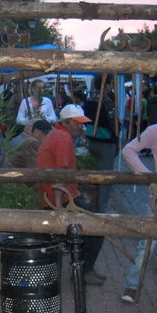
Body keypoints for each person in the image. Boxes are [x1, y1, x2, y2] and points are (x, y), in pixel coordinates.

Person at [35, 104, 105, 285]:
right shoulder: (63, 138)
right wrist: (59, 207)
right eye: (77, 123)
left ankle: (80, 270)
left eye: (81, 124)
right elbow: (62, 173)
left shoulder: (57, 135)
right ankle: (84, 271)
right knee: (97, 228)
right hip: (63, 198)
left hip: (55, 196)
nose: (81, 127)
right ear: (66, 123)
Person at [120, 119, 157, 302]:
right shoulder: (156, 130)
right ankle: (132, 286)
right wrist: (149, 177)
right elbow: (128, 150)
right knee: (148, 242)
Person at [84, 75, 118, 213]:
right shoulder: (107, 101)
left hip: (92, 139)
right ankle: (101, 208)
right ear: (107, 85)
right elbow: (113, 123)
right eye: (111, 84)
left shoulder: (89, 100)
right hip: (106, 142)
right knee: (105, 176)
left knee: (93, 173)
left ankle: (91, 203)